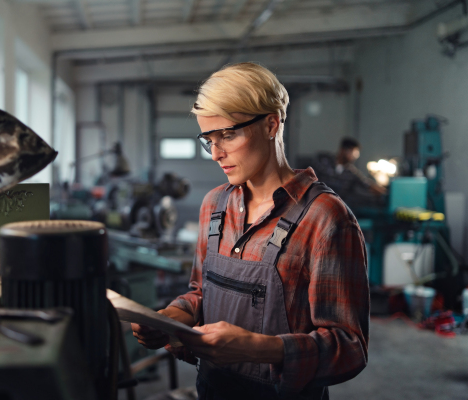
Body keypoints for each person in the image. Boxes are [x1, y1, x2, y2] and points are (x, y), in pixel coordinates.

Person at [131, 63, 369, 400]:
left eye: (227, 135)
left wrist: (261, 349)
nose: (216, 154)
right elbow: (203, 293)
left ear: (271, 124)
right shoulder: (214, 206)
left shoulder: (325, 218)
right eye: (208, 140)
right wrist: (175, 316)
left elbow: (350, 348)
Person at [313, 137, 386, 210]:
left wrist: (384, 192)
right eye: (353, 152)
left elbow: (366, 183)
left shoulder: (351, 172)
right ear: (343, 150)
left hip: (334, 208)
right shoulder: (323, 160)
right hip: (315, 203)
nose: (355, 156)